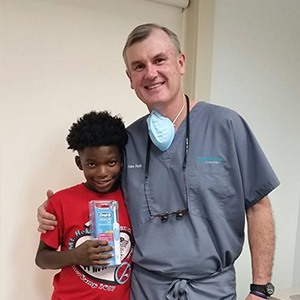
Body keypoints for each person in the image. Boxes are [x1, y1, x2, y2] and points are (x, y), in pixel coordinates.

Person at [37, 24, 279, 300]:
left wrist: (261, 288)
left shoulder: (226, 125)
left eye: (159, 60)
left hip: (211, 289)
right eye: (139, 66)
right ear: (130, 78)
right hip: (145, 289)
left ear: (180, 62)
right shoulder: (128, 140)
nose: (150, 73)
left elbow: (258, 205)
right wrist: (50, 210)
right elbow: (100, 188)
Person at [35, 111, 133, 300]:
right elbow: (42, 258)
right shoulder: (60, 202)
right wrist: (75, 256)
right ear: (79, 163)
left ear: (122, 160)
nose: (102, 172)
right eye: (92, 164)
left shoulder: (134, 198)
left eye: (111, 162)